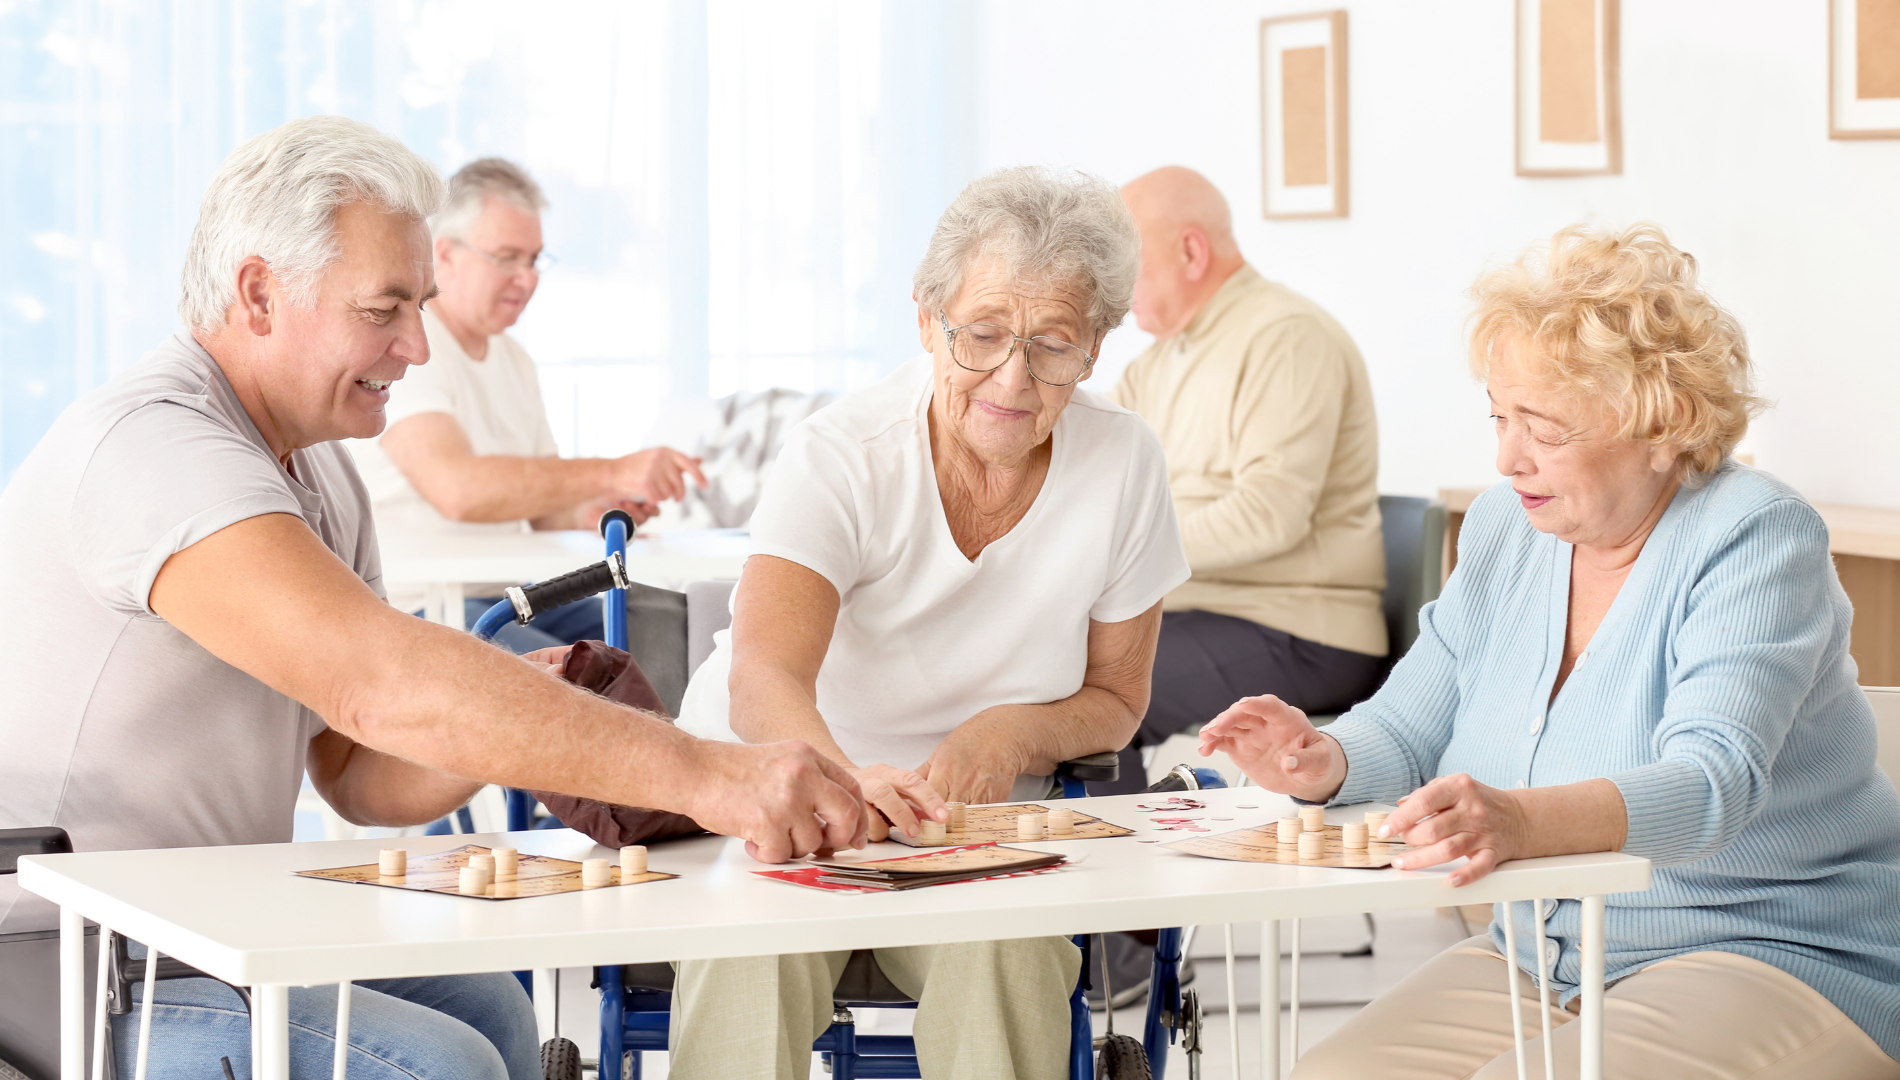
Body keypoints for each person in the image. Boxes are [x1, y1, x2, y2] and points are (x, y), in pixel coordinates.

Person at [0, 116, 867, 1080]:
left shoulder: (321, 472)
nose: (417, 345)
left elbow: (358, 771)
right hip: (56, 960)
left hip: (193, 934)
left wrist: (516, 701)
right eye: (384, 309)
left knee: (492, 1004)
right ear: (258, 294)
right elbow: (378, 684)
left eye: (420, 304)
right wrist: (716, 776)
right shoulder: (153, 448)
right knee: (440, 1061)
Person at [1200, 225, 1900, 1079]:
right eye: (1499, 417)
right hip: (1545, 955)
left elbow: (1714, 783)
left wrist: (1524, 823)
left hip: (1771, 954)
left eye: (1543, 427)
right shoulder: (1506, 527)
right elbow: (1415, 720)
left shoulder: (1754, 535)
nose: (1506, 456)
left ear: (1662, 423)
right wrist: (1322, 759)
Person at [663, 166, 1189, 1080]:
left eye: (1053, 345)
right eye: (982, 335)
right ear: (926, 320)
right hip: (785, 790)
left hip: (967, 826)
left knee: (1012, 959)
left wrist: (1013, 731)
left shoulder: (1125, 463)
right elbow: (764, 677)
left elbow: (1116, 696)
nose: (1013, 379)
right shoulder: (843, 455)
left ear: (1097, 347)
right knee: (750, 954)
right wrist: (839, 779)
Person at [1095, 165, 1384, 796]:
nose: (1110, 290)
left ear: (1191, 251)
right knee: (1035, 665)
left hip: (1300, 630)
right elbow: (1094, 486)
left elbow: (1268, 515)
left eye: (1124, 266)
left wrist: (1115, 560)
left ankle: (1114, 874)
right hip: (1206, 614)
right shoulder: (1156, 364)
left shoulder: (1284, 337)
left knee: (1092, 690)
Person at [349, 157, 705, 651]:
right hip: (428, 603)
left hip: (507, 594)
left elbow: (545, 511)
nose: (528, 278)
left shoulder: (513, 359)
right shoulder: (411, 346)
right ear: (445, 254)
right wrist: (612, 472)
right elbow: (458, 488)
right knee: (588, 680)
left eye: (534, 259)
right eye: (508, 257)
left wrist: (595, 510)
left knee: (670, 636)